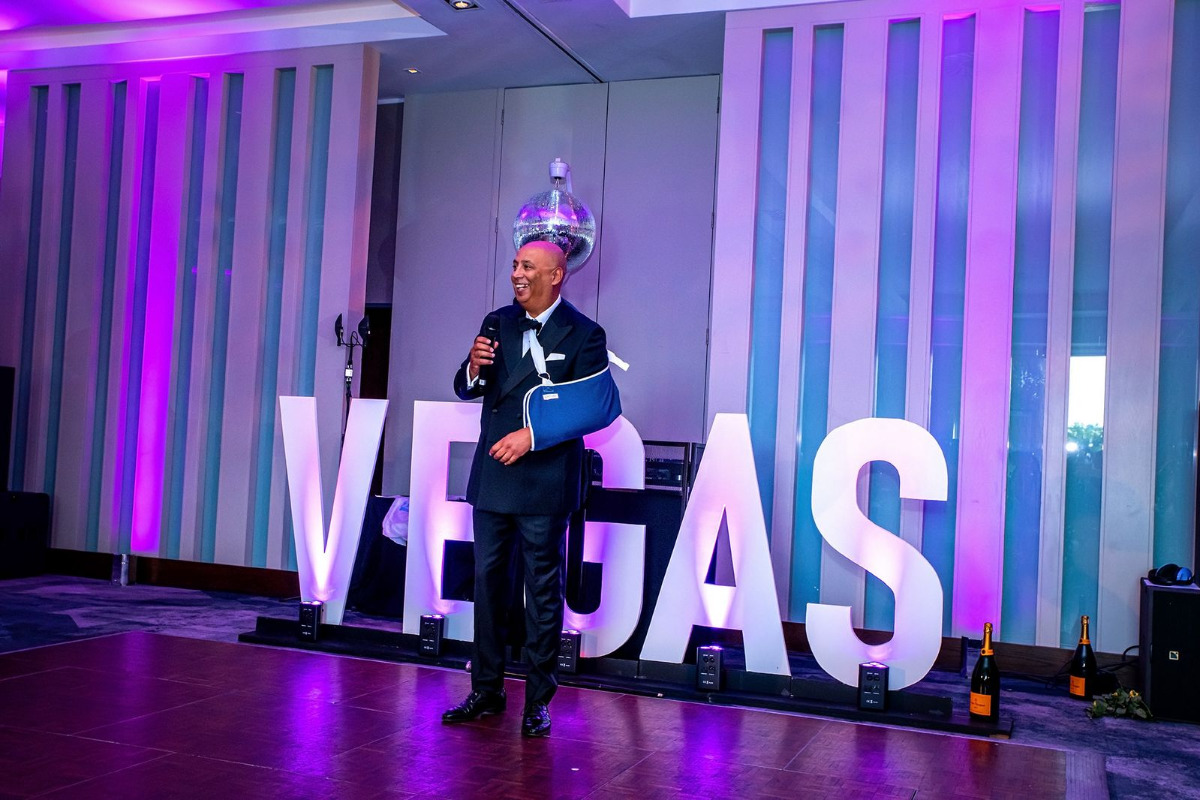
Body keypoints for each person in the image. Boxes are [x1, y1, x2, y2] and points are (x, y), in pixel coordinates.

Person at [442, 240, 609, 737]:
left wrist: (531, 436)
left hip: (545, 480)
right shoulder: (497, 322)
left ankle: (538, 699)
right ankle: (485, 689)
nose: (517, 273)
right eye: (515, 265)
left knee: (541, 592)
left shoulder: (585, 333)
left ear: (556, 275)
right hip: (495, 476)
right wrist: (473, 368)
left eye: (528, 266)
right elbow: (467, 388)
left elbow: (590, 408)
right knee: (488, 586)